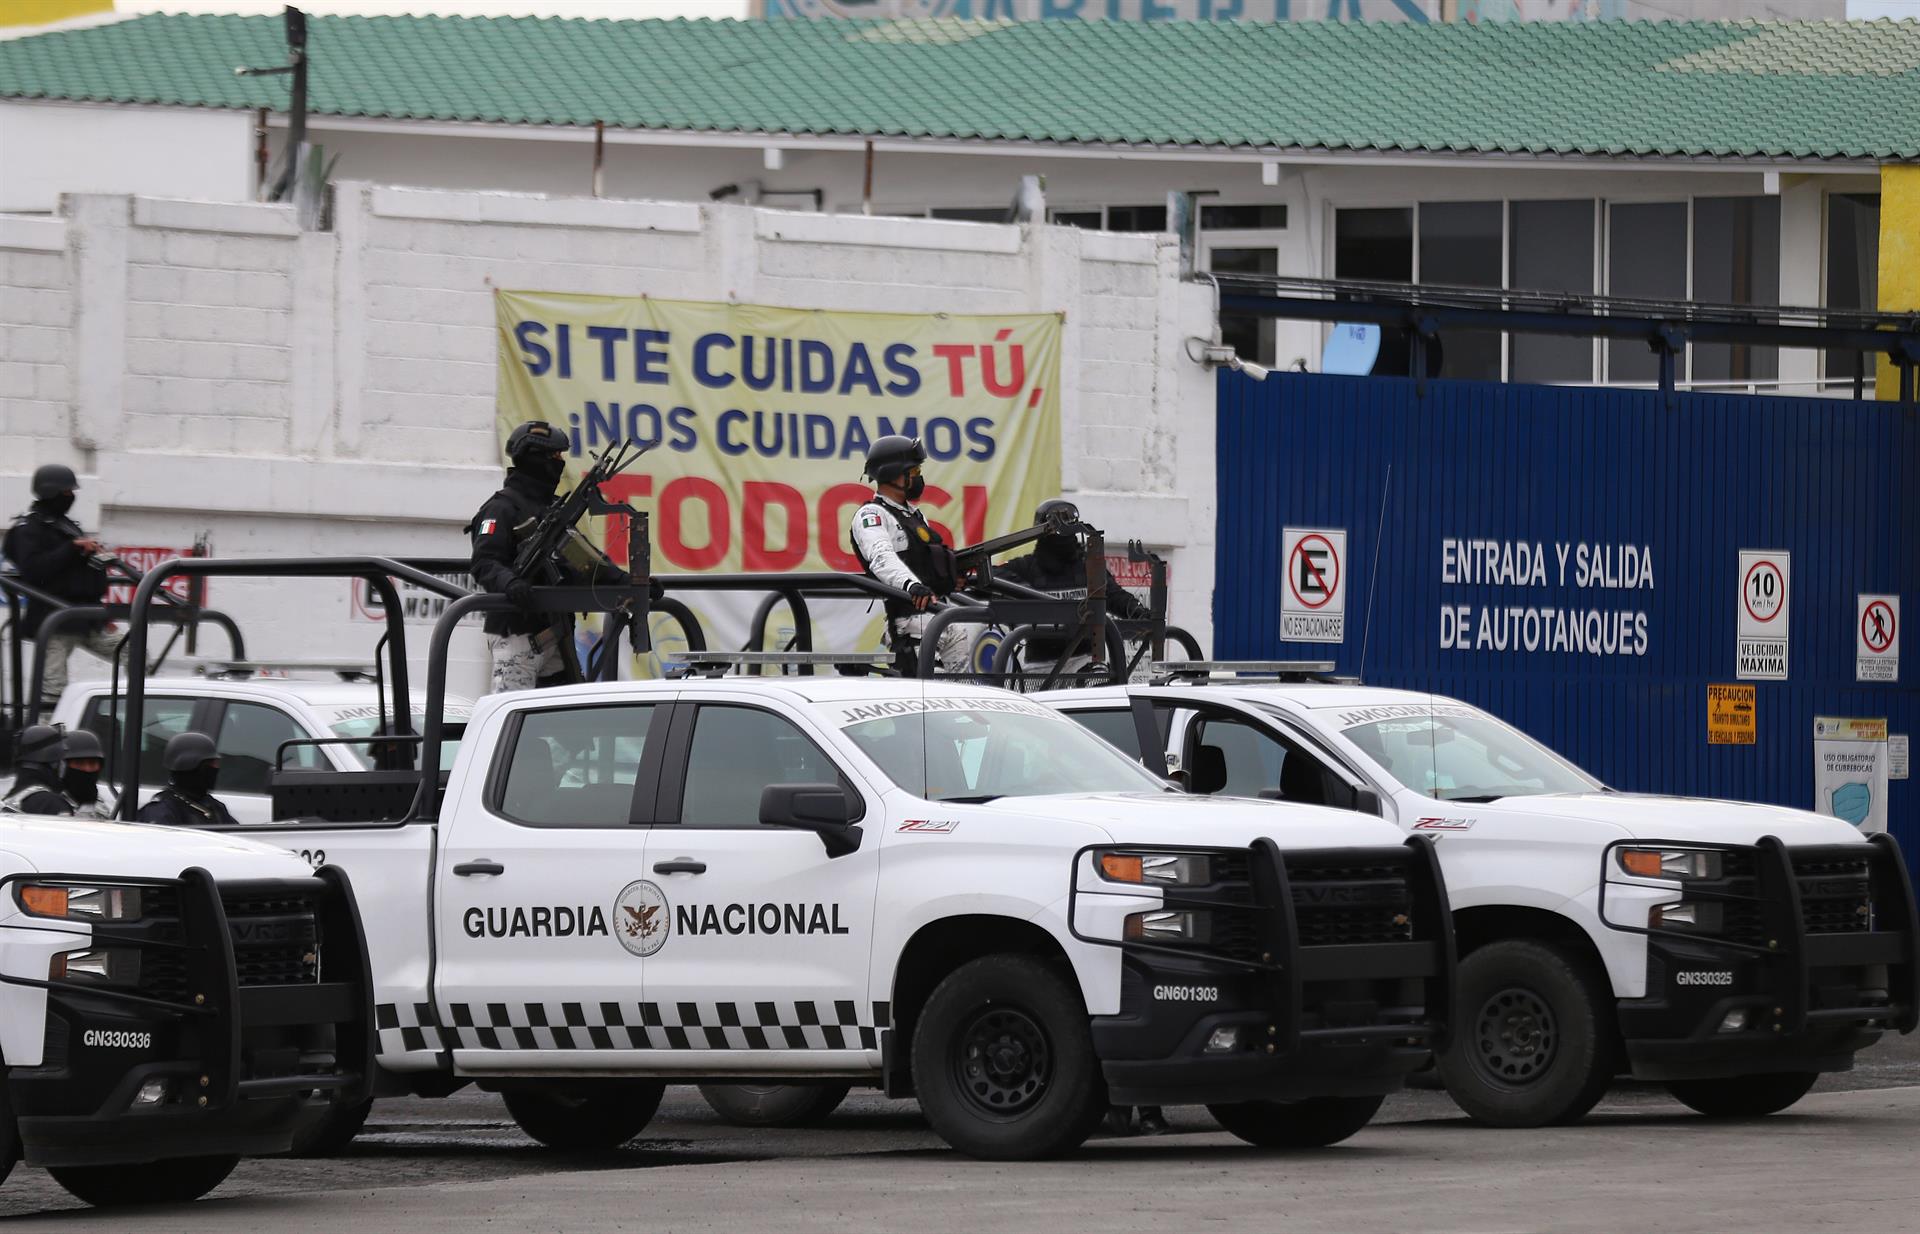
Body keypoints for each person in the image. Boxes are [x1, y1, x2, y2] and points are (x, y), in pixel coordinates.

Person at [467, 420, 631, 693]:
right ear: (534, 458)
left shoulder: (552, 511)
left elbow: (584, 561)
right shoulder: (500, 508)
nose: (560, 463)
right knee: (511, 716)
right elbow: (484, 562)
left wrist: (626, 581)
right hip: (515, 634)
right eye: (554, 456)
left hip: (555, 633)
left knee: (565, 723)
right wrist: (511, 583)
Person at [848, 436, 968, 677]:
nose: (919, 477)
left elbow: (926, 561)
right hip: (910, 623)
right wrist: (911, 585)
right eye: (914, 470)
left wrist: (952, 576)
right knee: (928, 697)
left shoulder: (914, 515)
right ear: (893, 474)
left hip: (942, 615)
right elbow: (881, 558)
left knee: (962, 693)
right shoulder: (871, 515)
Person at [994, 499, 1149, 679]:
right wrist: (1021, 589)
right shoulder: (1026, 568)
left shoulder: (1089, 568)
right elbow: (993, 575)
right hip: (1039, 669)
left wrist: (1139, 612)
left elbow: (1115, 596)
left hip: (1084, 663)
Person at [4, 464, 115, 709]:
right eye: (66, 492)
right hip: (54, 618)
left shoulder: (66, 525)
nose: (71, 497)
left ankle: (140, 708)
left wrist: (91, 553)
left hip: (86, 616)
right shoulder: (28, 529)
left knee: (135, 654)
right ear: (50, 492)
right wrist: (72, 549)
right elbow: (35, 570)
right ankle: (43, 741)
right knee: (52, 692)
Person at [1, 724, 112, 817]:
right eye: (79, 763)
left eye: (93, 763)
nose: (87, 769)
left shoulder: (12, 799)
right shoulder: (51, 804)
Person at [135, 732, 239, 827]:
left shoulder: (214, 807)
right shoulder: (161, 812)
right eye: (210, 764)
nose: (216, 768)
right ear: (190, 766)